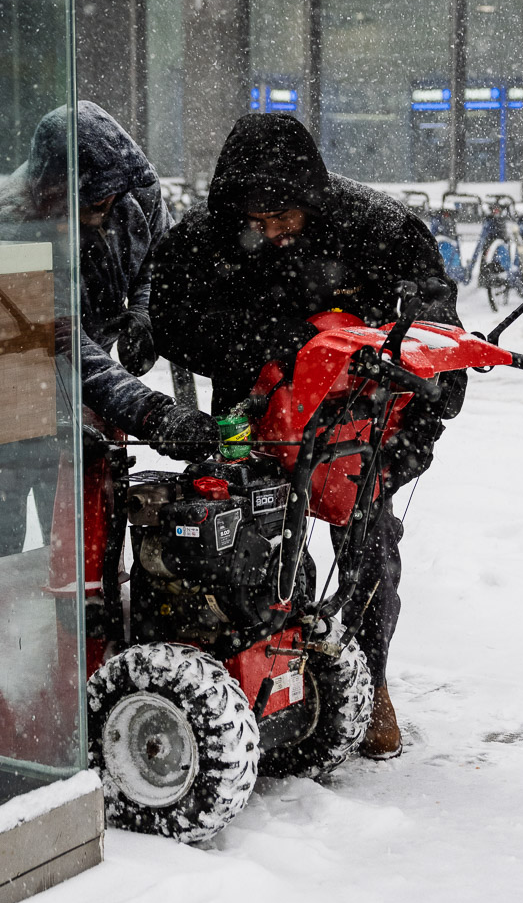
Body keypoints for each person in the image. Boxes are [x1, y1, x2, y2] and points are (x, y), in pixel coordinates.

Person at [149, 113, 465, 759]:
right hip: (254, 411)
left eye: (283, 216)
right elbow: (172, 322)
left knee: (368, 546)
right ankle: (268, 669)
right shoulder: (203, 240)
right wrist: (272, 342)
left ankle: (370, 677)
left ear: (312, 198)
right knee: (250, 540)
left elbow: (439, 344)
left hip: (359, 421)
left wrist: (414, 440)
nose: (271, 232)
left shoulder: (380, 230)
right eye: (256, 221)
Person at [0, 101, 216, 568]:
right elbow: (62, 344)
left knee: (80, 538)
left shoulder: (134, 188)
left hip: (84, 387)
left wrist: (144, 313)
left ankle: (74, 606)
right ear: (51, 188)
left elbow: (160, 261)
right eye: (88, 201)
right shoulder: (12, 226)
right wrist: (150, 412)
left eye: (107, 198)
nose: (103, 207)